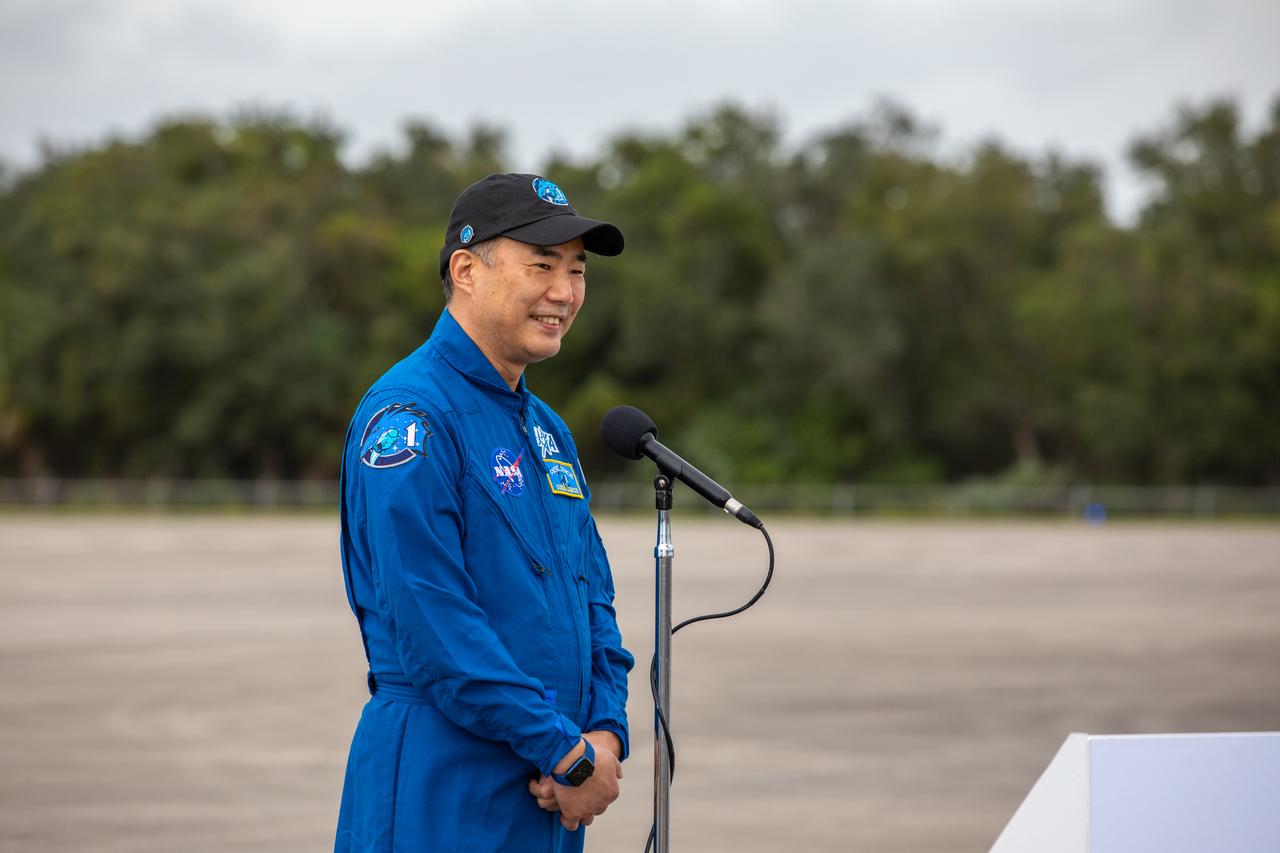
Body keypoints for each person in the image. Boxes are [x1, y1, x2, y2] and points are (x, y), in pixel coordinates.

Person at [334, 173, 635, 853]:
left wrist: (605, 734)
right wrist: (568, 752)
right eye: (541, 265)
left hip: (549, 794)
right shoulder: (410, 418)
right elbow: (435, 623)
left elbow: (594, 597)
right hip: (441, 791)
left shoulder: (548, 430)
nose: (564, 291)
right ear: (467, 271)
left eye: (577, 270)